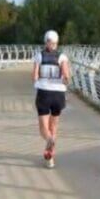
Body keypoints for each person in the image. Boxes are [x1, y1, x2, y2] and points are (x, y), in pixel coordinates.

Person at [32, 30, 70, 169]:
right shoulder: (62, 57)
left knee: (43, 127)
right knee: (54, 126)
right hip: (58, 95)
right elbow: (66, 76)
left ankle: (49, 140)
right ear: (56, 43)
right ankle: (50, 158)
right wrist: (65, 79)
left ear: (45, 41)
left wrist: (37, 82)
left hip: (43, 93)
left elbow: (34, 76)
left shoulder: (39, 56)